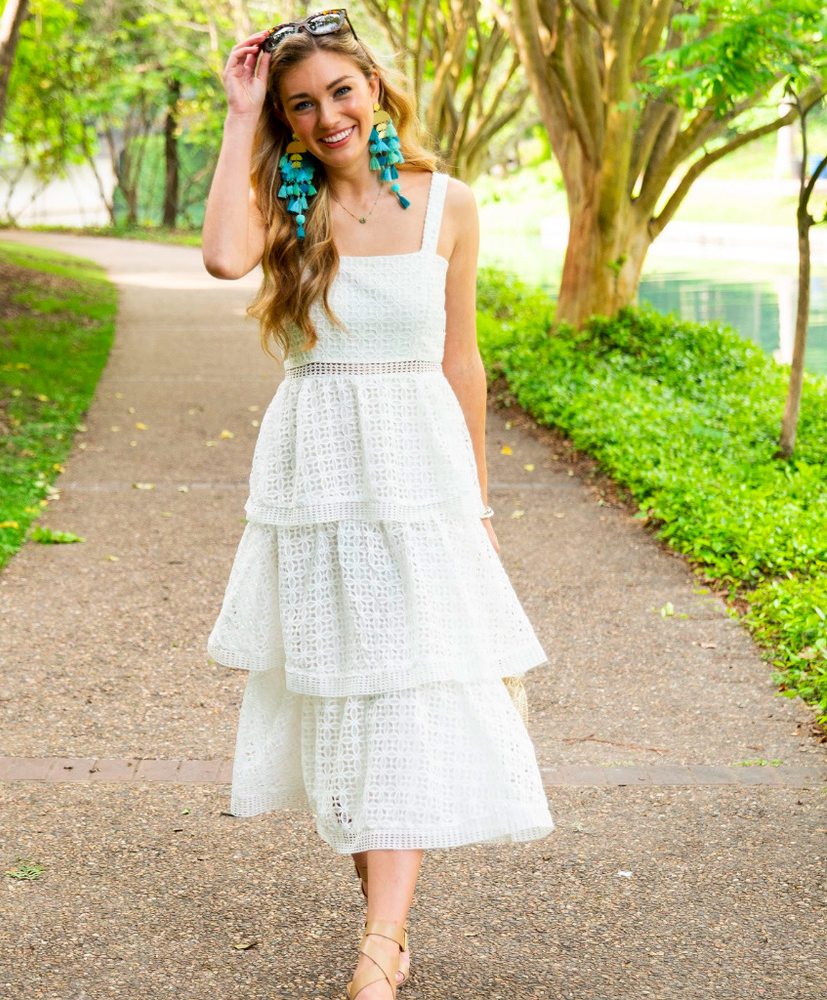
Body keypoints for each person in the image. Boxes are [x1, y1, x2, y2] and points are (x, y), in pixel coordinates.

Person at [202, 10, 556, 999]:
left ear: (375, 87)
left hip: (419, 480)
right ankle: (383, 919)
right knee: (345, 694)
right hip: (317, 480)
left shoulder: (450, 204)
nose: (326, 117)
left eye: (340, 93)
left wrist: (476, 507)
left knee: (402, 692)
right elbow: (225, 261)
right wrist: (240, 121)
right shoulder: (286, 199)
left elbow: (460, 360)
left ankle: (379, 952)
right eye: (299, 104)